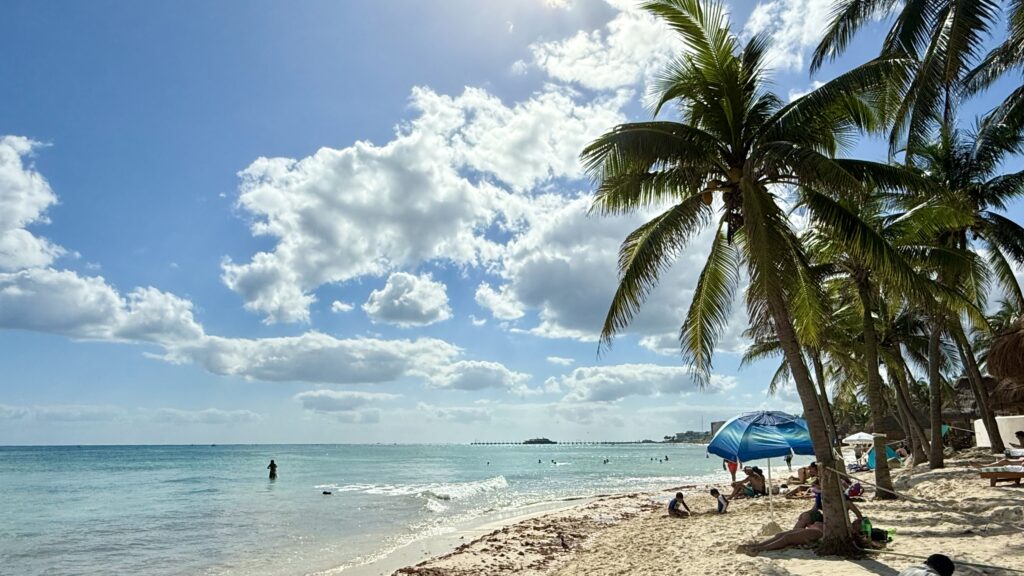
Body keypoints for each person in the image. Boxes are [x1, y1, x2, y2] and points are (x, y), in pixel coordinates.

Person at [737, 519, 824, 555]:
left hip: (819, 532)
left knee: (788, 537)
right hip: (815, 528)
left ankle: (760, 548)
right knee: (781, 535)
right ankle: (757, 545)